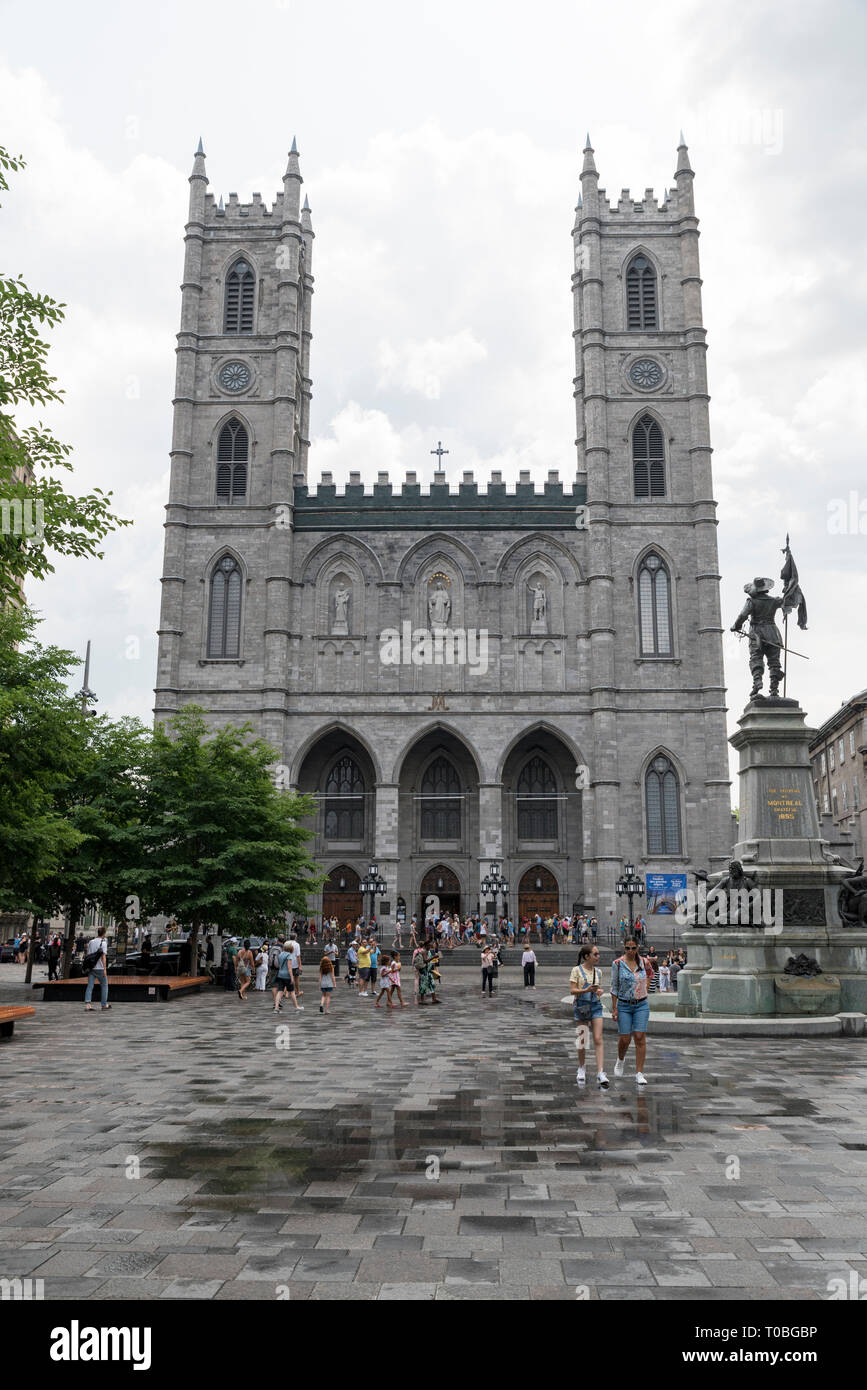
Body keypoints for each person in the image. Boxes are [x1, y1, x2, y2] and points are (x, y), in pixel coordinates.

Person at [610, 937, 650, 1085]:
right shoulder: (618, 964)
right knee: (625, 1039)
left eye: (633, 948)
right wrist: (614, 1009)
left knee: (640, 1037)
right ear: (624, 948)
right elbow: (614, 987)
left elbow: (651, 973)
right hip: (624, 1005)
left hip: (641, 1004)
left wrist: (646, 987)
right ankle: (620, 1059)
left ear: (637, 947)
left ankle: (639, 1073)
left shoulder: (644, 962)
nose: (631, 951)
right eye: (628, 948)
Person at [570, 944, 608, 1087]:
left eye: (598, 954)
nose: (598, 957)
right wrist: (585, 990)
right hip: (582, 1006)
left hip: (596, 1006)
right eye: (595, 954)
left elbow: (598, 988)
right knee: (583, 1040)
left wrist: (599, 991)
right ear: (587, 956)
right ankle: (581, 1067)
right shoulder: (576, 970)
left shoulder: (599, 972)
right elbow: (572, 990)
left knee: (598, 1038)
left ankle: (600, 1072)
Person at [83, 926, 111, 1012]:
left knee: (90, 986)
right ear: (104, 934)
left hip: (91, 968)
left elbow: (88, 955)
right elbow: (103, 957)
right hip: (100, 968)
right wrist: (105, 969)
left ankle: (88, 1005)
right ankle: (104, 1005)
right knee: (104, 986)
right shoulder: (104, 943)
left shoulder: (91, 942)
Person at [272, 942, 303, 1012]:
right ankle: (296, 1006)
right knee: (292, 991)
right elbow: (289, 968)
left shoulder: (280, 954)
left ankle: (276, 1007)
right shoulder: (289, 955)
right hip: (287, 976)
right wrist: (292, 977)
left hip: (280, 975)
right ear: (290, 948)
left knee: (280, 991)